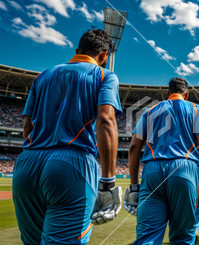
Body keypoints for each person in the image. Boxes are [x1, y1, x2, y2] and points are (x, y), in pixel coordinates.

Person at [13, 29, 122, 245]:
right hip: (71, 163)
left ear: (77, 50)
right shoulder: (105, 75)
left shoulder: (42, 76)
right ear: (104, 55)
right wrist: (108, 181)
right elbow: (106, 121)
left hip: (27, 163)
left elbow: (28, 126)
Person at [123, 77, 199, 245]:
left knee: (147, 236)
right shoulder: (196, 109)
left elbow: (134, 146)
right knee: (183, 237)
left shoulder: (149, 111)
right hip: (184, 169)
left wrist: (133, 186)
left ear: (168, 93)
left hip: (152, 170)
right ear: (187, 94)